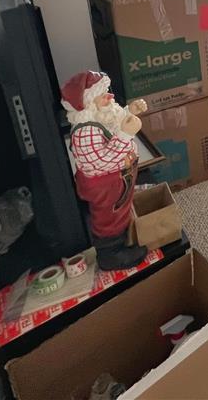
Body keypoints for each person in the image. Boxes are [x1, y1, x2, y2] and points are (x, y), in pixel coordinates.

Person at [60, 70, 149, 270]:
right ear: (87, 103)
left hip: (117, 178)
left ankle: (124, 238)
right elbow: (102, 161)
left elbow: (114, 123)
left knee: (120, 211)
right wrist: (126, 135)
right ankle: (110, 254)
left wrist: (129, 112)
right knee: (109, 217)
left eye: (107, 91)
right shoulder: (85, 130)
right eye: (102, 95)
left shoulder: (101, 116)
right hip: (105, 184)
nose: (110, 96)